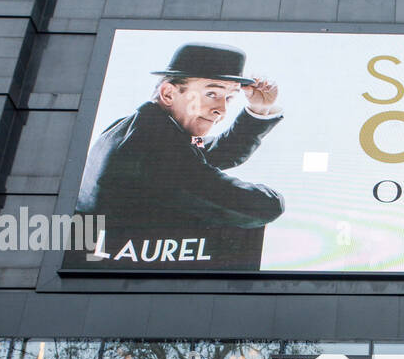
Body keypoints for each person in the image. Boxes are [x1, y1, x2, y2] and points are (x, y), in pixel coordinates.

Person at [77, 42, 285, 231]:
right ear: (168, 94)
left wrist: (258, 109)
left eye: (229, 98)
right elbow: (261, 207)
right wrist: (279, 198)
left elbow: (217, 149)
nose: (221, 110)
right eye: (212, 94)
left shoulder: (144, 128)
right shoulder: (158, 151)